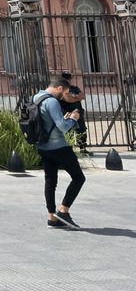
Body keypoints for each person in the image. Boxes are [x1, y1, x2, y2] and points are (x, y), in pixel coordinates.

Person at [34, 77, 84, 229]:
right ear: (60, 88)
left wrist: (62, 119)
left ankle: (52, 218)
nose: (64, 96)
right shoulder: (52, 101)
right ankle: (63, 210)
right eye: (65, 92)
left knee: (50, 181)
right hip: (58, 147)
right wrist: (74, 119)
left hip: (42, 146)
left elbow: (47, 121)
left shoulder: (36, 97)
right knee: (78, 177)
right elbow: (62, 127)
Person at [58, 71, 89, 154]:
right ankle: (69, 149)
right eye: (65, 78)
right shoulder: (61, 89)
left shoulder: (75, 88)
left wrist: (72, 96)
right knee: (68, 131)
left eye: (68, 78)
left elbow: (82, 96)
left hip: (78, 112)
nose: (67, 80)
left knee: (81, 130)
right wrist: (76, 97)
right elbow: (67, 99)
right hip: (67, 113)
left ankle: (83, 148)